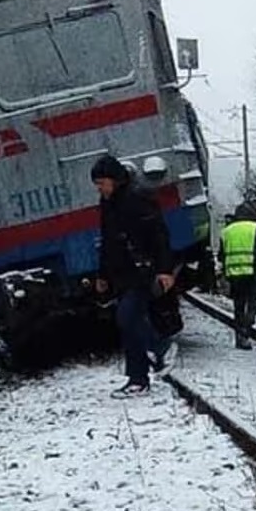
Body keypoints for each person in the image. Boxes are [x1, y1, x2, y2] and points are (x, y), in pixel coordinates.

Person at [92, 155, 176, 398]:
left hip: (143, 270)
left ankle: (156, 353)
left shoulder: (137, 198)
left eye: (102, 183)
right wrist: (103, 274)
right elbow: (108, 242)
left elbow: (159, 235)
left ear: (115, 180)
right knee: (129, 321)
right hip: (123, 273)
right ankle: (144, 369)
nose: (99, 188)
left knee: (127, 317)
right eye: (97, 184)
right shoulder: (108, 204)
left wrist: (164, 269)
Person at [219, 204, 256, 349]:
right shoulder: (255, 228)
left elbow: (222, 254)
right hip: (253, 273)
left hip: (234, 274)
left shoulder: (226, 231)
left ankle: (239, 335)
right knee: (252, 305)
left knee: (238, 305)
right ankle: (246, 329)